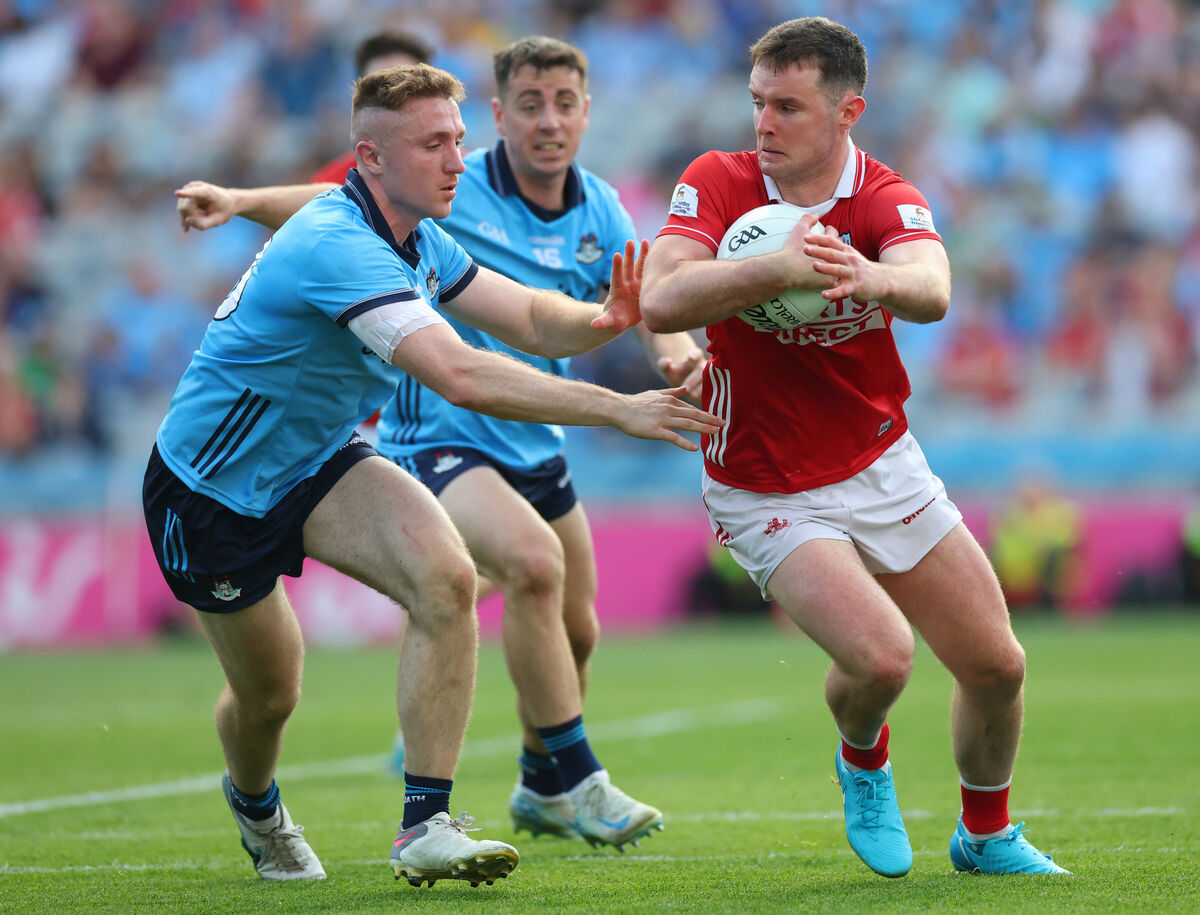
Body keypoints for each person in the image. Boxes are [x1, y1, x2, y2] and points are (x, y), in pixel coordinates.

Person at [145, 63, 721, 887]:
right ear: (371, 158)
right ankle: (256, 802)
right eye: (433, 143)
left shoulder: (419, 235)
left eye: (458, 139)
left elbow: (524, 315)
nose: (458, 159)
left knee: (448, 578)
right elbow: (462, 374)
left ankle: (426, 825)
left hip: (316, 459)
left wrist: (602, 320)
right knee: (271, 696)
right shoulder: (338, 245)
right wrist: (621, 407)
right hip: (211, 490)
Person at [640, 17, 1070, 877]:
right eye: (758, 102)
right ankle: (862, 758)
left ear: (848, 112)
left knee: (997, 664)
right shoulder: (718, 181)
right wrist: (777, 268)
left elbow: (933, 284)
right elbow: (661, 297)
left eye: (789, 107)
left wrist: (873, 278)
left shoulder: (881, 195)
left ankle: (985, 834)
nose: (764, 124)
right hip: (762, 480)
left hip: (880, 459)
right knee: (881, 657)